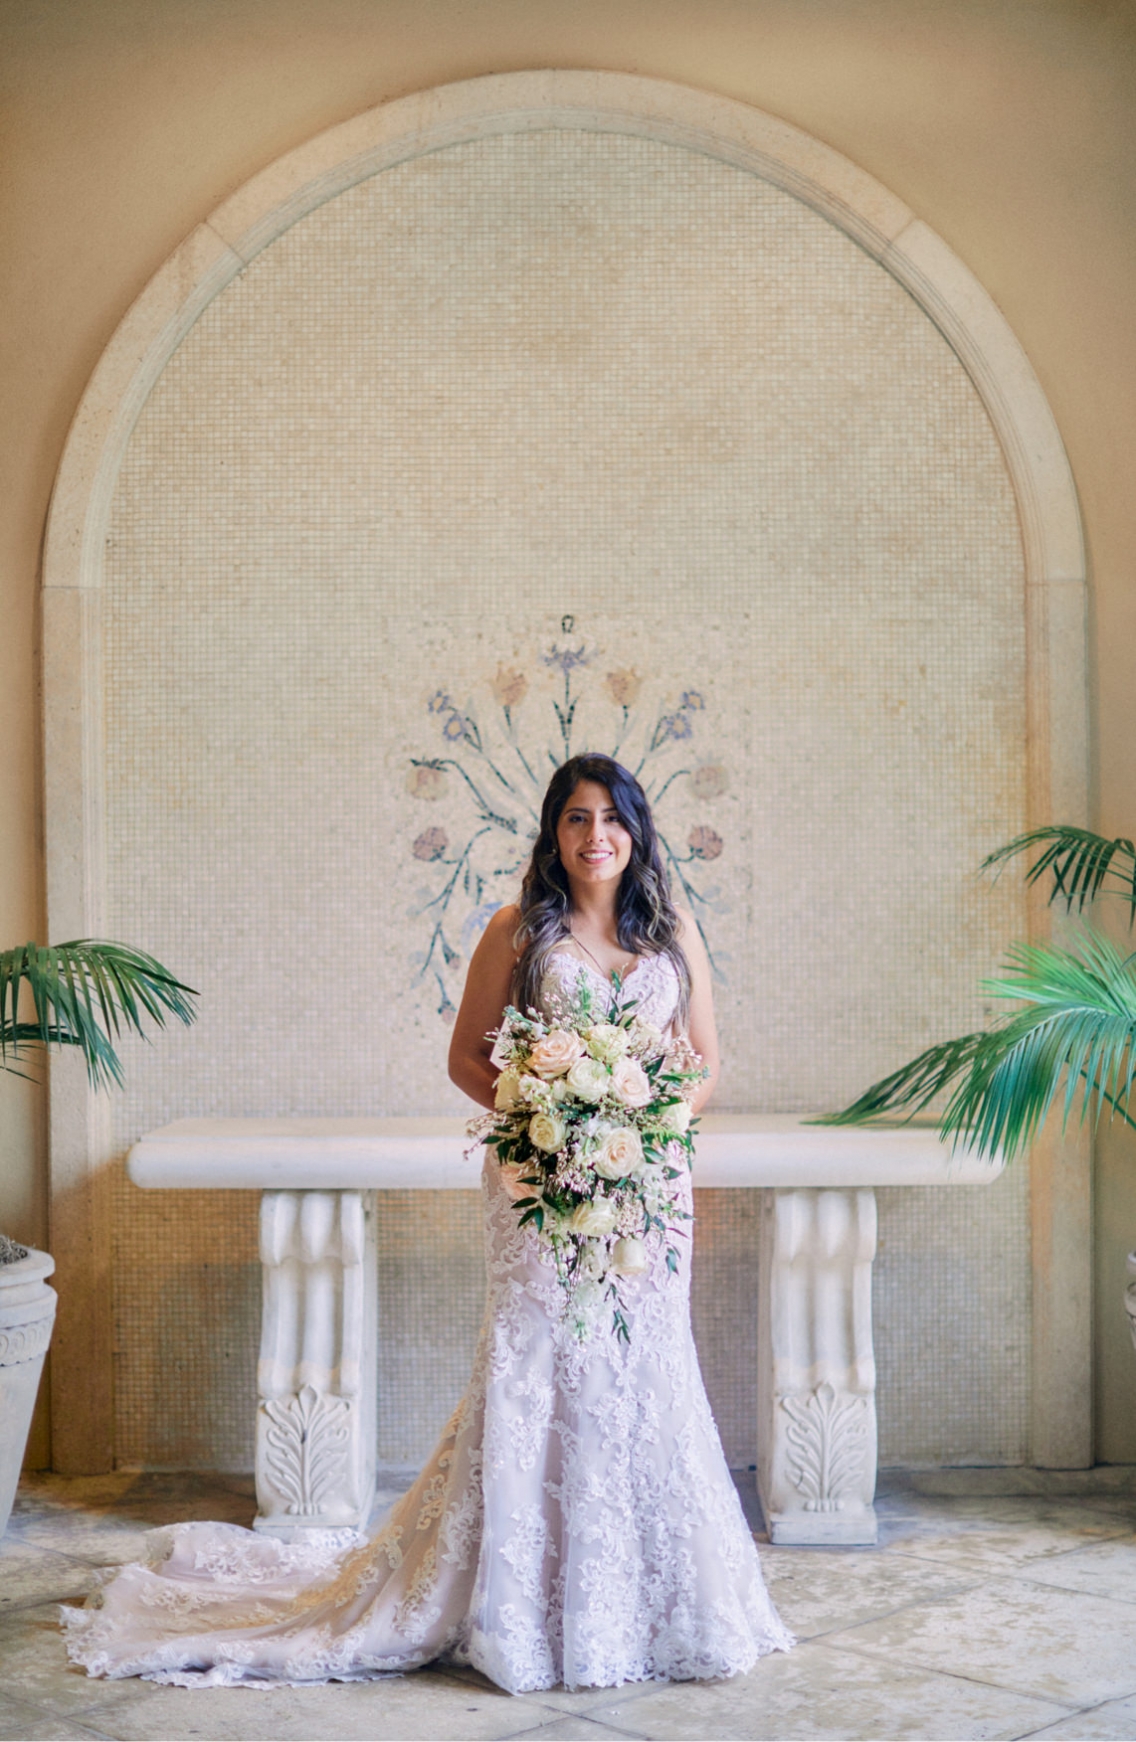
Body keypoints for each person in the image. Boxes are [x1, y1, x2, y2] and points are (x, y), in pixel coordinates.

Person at [61, 753, 792, 1693]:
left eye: (612, 818)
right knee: (539, 1367)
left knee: (643, 1367)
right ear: (553, 833)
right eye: (576, 818)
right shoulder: (519, 930)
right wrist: (546, 1122)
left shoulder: (673, 933)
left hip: (648, 1193)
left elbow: (703, 1066)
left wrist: (647, 1133)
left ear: (638, 830)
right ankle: (521, 1605)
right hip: (539, 1187)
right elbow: (466, 1058)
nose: (595, 836)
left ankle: (648, 1603)